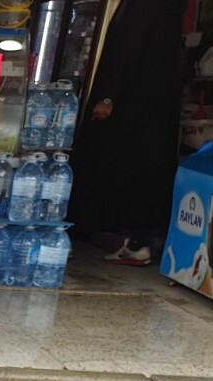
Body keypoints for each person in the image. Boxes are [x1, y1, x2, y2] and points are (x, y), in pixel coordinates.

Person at [67, 0, 189, 264]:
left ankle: (127, 239)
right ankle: (134, 238)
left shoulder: (143, 6)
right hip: (149, 107)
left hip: (131, 107)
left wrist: (109, 97)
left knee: (117, 169)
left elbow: (127, 49)